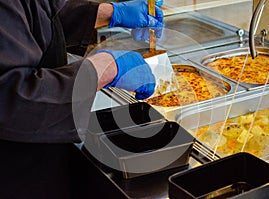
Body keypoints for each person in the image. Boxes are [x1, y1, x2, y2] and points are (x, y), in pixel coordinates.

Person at [0, 0, 164, 198]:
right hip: (16, 167)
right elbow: (10, 97)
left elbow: (37, 16)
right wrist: (104, 69)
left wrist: (110, 13)